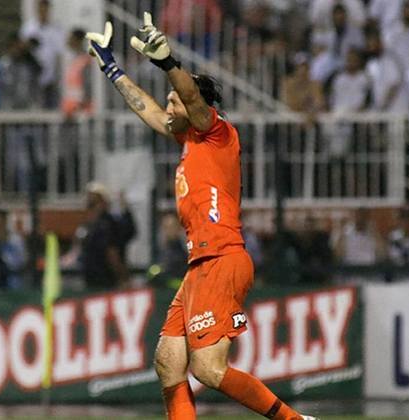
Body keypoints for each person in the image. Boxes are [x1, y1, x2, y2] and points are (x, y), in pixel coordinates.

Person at [85, 12, 316, 419]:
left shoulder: (217, 132)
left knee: (208, 369)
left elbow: (190, 99)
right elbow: (149, 110)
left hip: (222, 258)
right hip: (201, 266)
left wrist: (168, 63)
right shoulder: (190, 139)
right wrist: (111, 67)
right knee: (168, 362)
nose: (169, 105)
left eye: (175, 99)